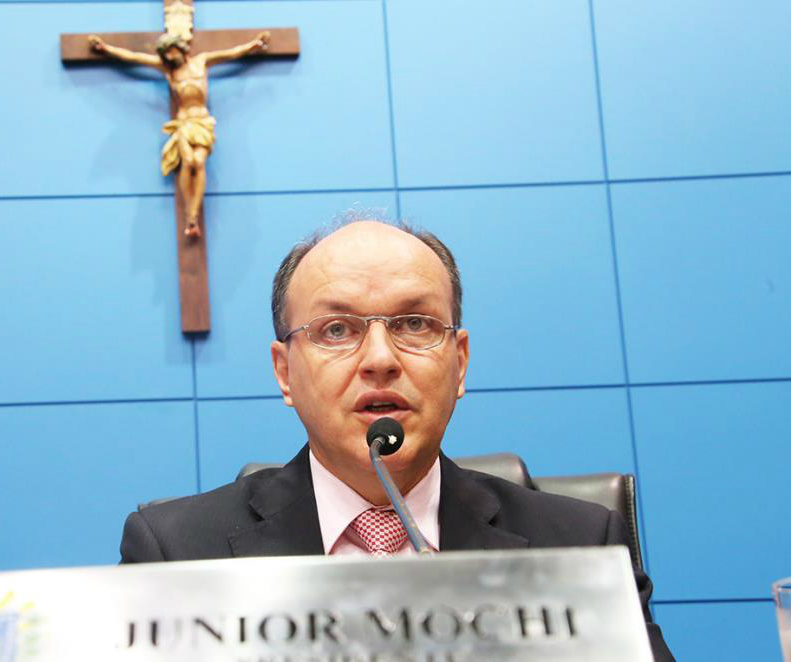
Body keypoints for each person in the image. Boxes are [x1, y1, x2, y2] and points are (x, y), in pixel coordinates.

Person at [120, 219, 674, 661]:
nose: (380, 360)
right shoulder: (177, 554)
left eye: (414, 324)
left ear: (459, 364)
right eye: (337, 330)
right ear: (285, 373)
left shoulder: (579, 545)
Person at [88, 31, 270, 238]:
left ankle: (192, 215)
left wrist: (252, 46)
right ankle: (189, 216)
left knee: (199, 163)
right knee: (189, 162)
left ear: (179, 48)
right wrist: (107, 50)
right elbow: (135, 58)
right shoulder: (168, 70)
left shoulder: (201, 62)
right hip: (184, 124)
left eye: (170, 51)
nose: (169, 57)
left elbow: (230, 54)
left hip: (203, 123)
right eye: (165, 54)